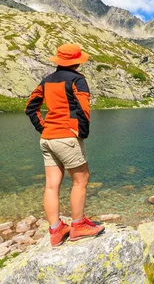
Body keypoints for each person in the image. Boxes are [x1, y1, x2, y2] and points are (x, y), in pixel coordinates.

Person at [25, 44, 104, 247]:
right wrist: (82, 134)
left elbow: (30, 107)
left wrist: (43, 128)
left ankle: (56, 230)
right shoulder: (78, 79)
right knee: (81, 179)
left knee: (52, 185)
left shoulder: (47, 80)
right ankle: (78, 226)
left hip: (48, 138)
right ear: (77, 62)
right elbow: (83, 109)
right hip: (67, 137)